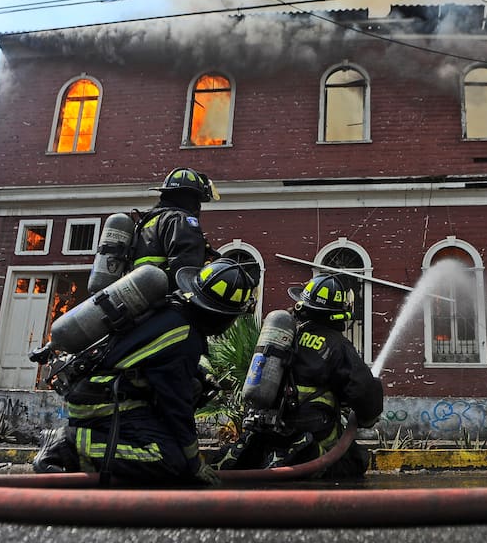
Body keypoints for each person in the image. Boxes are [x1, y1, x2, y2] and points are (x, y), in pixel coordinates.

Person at [32, 258, 258, 486]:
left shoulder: (173, 314)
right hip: (106, 403)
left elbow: (151, 359)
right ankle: (69, 445)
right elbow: (176, 405)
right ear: (219, 315)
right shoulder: (184, 336)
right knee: (169, 460)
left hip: (101, 393)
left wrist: (200, 377)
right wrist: (193, 461)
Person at [213, 273, 383, 479]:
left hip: (265, 429)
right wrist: (368, 415)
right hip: (308, 435)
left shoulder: (284, 335)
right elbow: (363, 390)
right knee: (356, 461)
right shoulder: (336, 344)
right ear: (337, 313)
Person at [131, 167, 221, 291]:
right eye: (198, 201)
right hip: (166, 299)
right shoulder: (180, 220)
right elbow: (186, 270)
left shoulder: (147, 221)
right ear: (191, 198)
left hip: (142, 298)